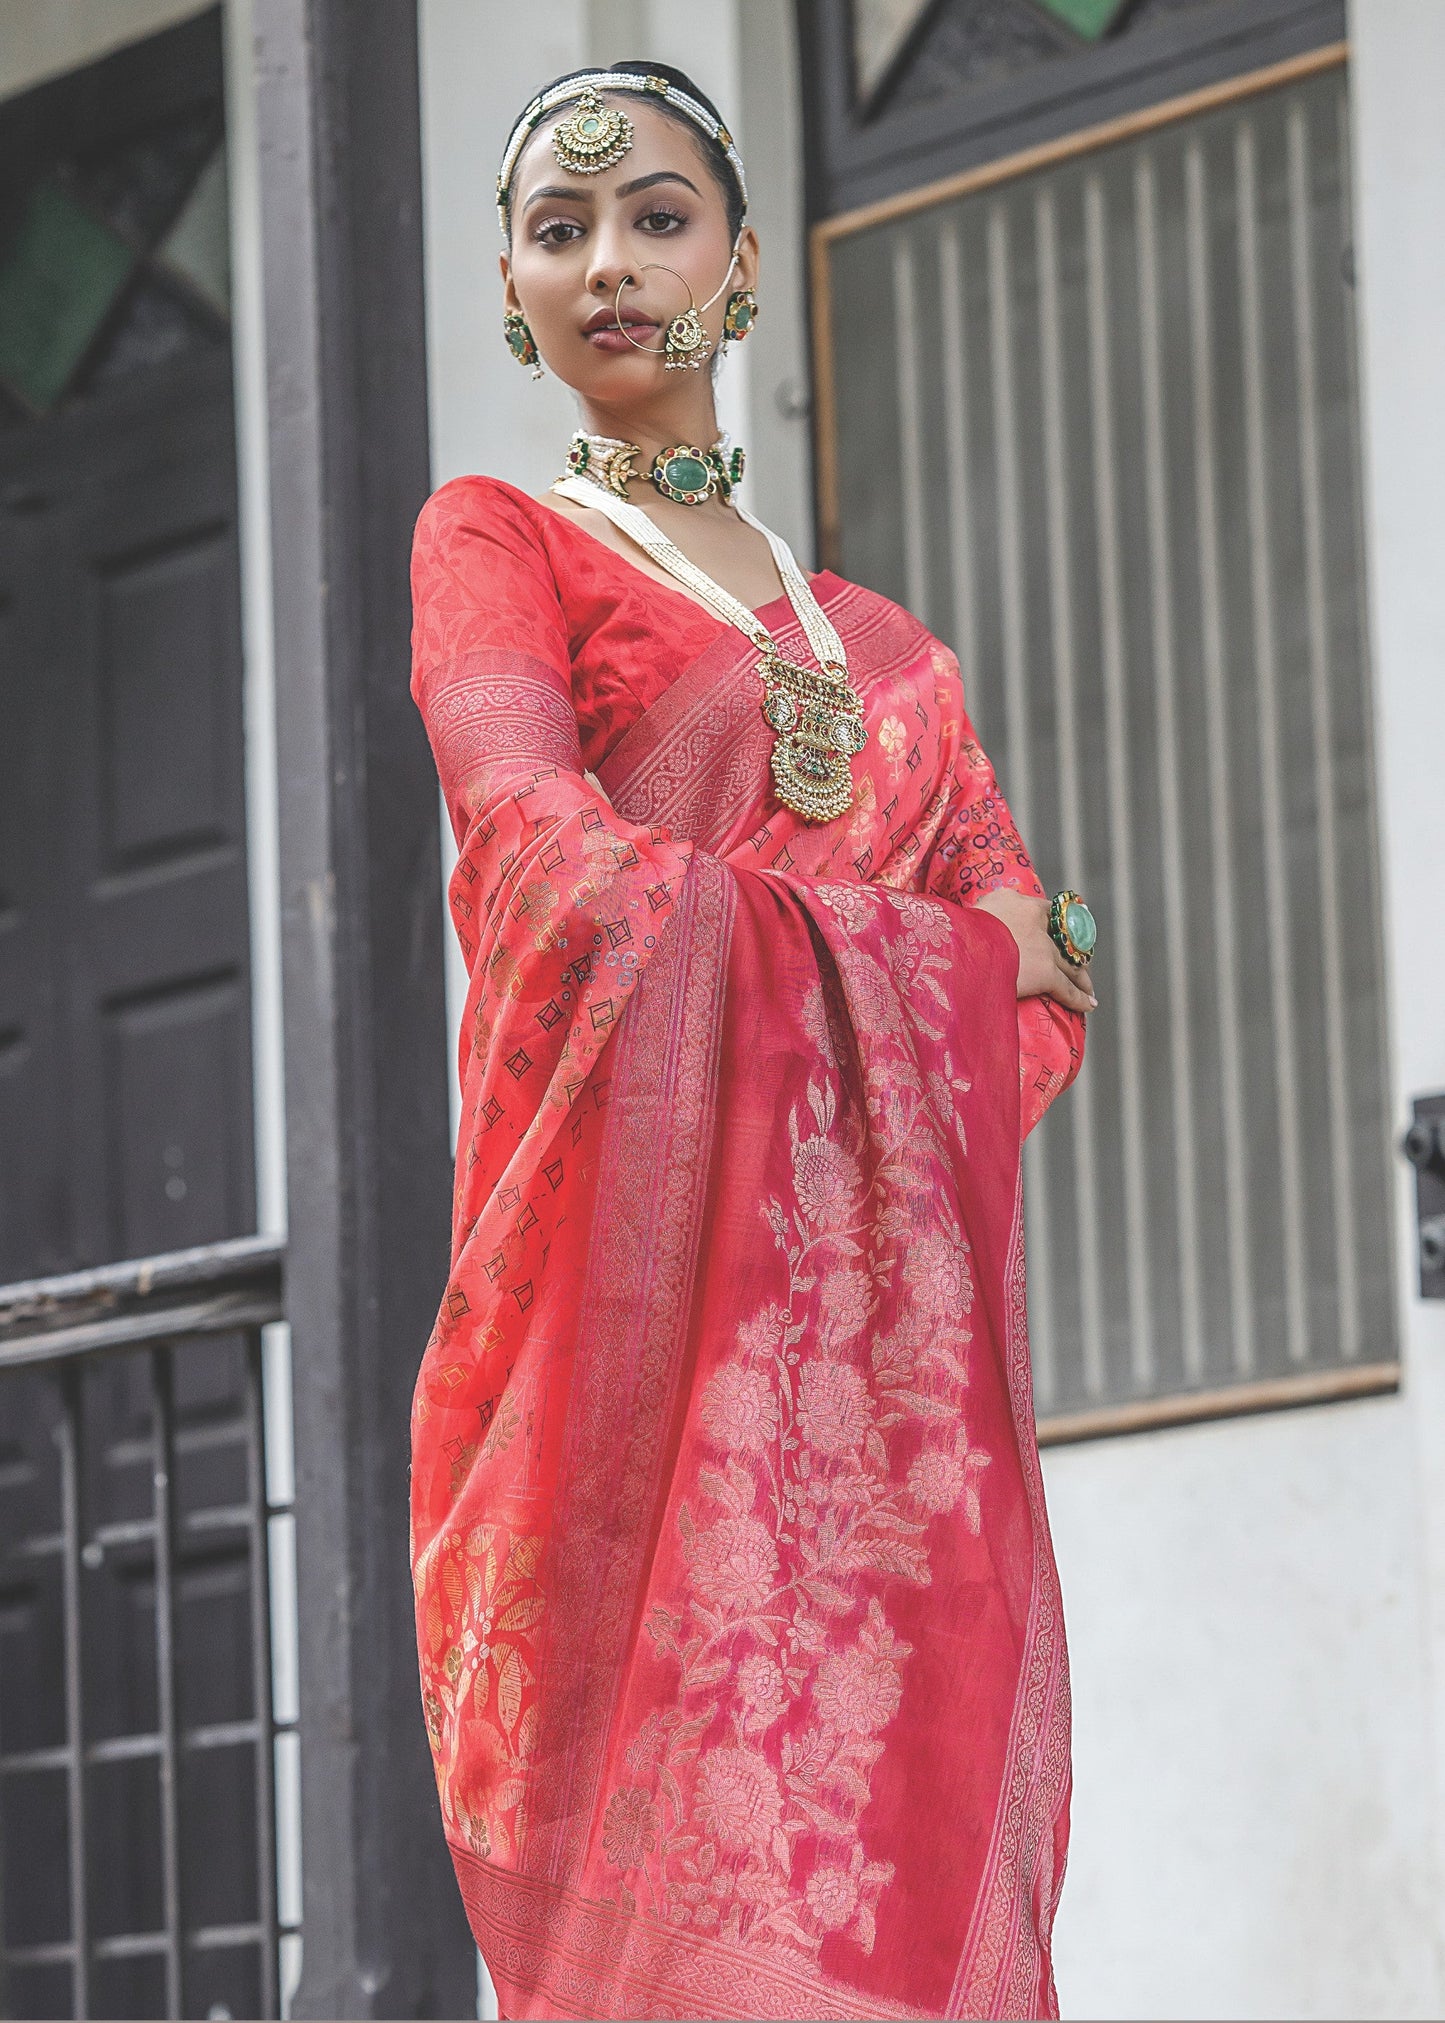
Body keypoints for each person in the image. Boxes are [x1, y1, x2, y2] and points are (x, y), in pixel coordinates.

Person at [408, 60, 1097, 2023]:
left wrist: (969, 966)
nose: (609, 262)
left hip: (865, 1412)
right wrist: (937, 952)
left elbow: (1039, 1024)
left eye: (656, 217)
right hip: (619, 1376)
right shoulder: (499, 550)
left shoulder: (892, 661)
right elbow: (556, 881)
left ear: (744, 261)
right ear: (510, 292)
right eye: (559, 229)